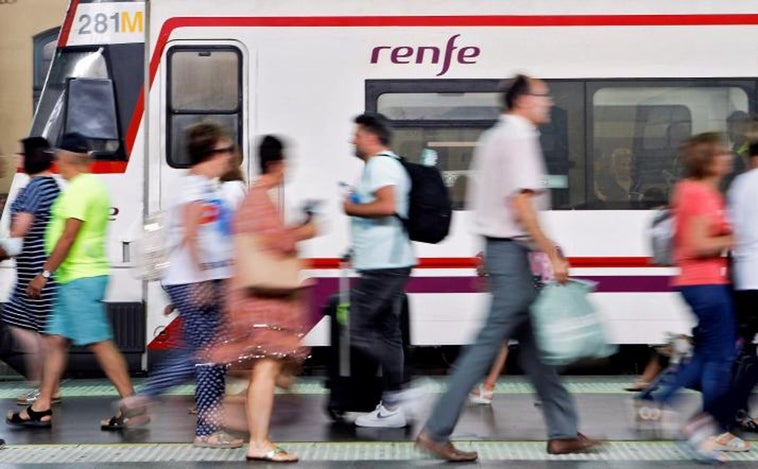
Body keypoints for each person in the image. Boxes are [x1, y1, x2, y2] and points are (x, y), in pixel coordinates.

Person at [416, 75, 600, 462]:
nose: (548, 102)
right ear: (523, 100)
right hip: (510, 256)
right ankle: (436, 431)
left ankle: (563, 431)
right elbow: (521, 204)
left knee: (535, 350)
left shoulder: (499, 135)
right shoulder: (518, 137)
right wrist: (552, 252)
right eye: (543, 96)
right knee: (486, 345)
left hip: (505, 253)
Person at [120, 122, 241, 448]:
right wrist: (202, 281)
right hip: (195, 280)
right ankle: (205, 431)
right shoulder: (193, 189)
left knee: (202, 354)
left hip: (205, 280)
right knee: (209, 357)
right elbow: (190, 234)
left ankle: (146, 398)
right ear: (209, 153)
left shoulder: (209, 187)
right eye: (224, 150)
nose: (229, 156)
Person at [5, 132, 136, 429]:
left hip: (80, 277)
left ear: (66, 159)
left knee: (100, 343)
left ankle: (131, 405)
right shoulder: (91, 186)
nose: (56, 164)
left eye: (58, 159)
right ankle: (41, 407)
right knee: (53, 342)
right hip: (74, 277)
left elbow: (68, 236)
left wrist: (44, 274)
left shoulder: (79, 190)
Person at [208, 135, 316, 462]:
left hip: (249, 297)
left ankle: (257, 436)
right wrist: (306, 230)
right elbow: (278, 243)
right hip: (261, 301)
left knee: (263, 369)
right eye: (286, 164)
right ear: (277, 164)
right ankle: (258, 440)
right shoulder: (260, 199)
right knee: (267, 368)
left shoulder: (253, 197)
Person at [635, 133, 742, 461]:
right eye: (721, 153)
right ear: (707, 159)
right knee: (720, 361)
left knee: (706, 355)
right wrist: (736, 237)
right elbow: (696, 244)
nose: (727, 157)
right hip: (706, 284)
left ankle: (660, 397)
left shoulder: (692, 190)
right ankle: (703, 432)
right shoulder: (699, 193)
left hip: (698, 283)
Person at [342, 113, 416, 428]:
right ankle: (391, 407)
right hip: (386, 260)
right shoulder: (384, 165)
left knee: (357, 327)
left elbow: (388, 206)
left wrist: (350, 207)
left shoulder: (381, 165)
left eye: (357, 134)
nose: (353, 140)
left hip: (385, 264)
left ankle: (402, 396)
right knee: (387, 333)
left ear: (371, 136)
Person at [0, 137, 62, 406]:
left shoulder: (34, 189)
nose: (17, 159)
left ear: (31, 158)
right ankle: (45, 385)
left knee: (36, 332)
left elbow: (17, 236)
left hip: (35, 276)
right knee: (31, 328)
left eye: (20, 154)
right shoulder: (52, 186)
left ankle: (43, 387)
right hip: (37, 273)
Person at [723, 140, 758, 433]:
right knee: (750, 353)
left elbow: (731, 232)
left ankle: (735, 409)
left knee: (746, 347)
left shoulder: (740, 185)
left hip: (745, 277)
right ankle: (731, 408)